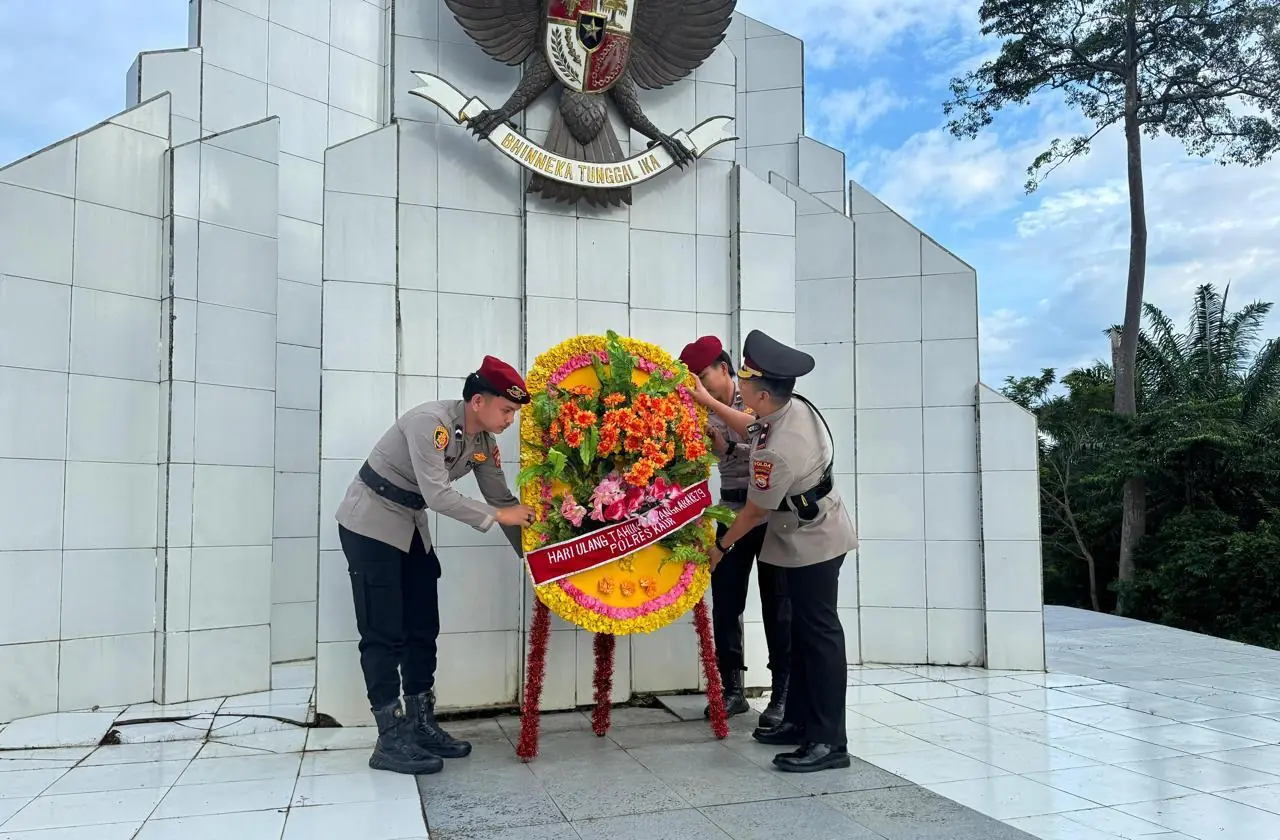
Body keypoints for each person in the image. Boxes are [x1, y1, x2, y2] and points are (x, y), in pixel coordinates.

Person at [335, 355, 537, 776]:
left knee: (422, 626)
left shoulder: (482, 444)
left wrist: (535, 560)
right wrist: (503, 516)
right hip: (370, 523)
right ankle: (390, 738)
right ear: (478, 401)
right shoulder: (431, 423)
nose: (509, 420)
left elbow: (502, 501)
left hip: (410, 527)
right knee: (383, 630)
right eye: (506, 410)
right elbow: (439, 495)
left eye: (514, 414)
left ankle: (421, 723)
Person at [691, 330, 858, 774]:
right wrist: (710, 407)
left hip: (813, 540)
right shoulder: (788, 409)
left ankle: (828, 741)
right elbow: (752, 426)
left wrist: (719, 548)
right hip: (801, 528)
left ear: (762, 394)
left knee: (819, 637)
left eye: (744, 383)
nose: (739, 389)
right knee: (803, 634)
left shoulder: (776, 455)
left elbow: (748, 515)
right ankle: (799, 721)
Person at [679, 335, 791, 729]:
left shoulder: (755, 398)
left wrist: (726, 447)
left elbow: (763, 443)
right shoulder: (696, 408)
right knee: (726, 603)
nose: (698, 384)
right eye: (692, 378)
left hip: (771, 513)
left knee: (779, 605)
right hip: (730, 508)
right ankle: (731, 689)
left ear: (724, 369)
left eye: (702, 375)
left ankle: (782, 694)